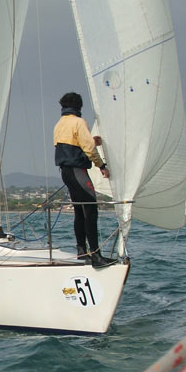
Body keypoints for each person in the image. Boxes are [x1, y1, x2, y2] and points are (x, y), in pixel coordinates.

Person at [53, 92, 115, 268]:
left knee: (79, 211)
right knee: (91, 211)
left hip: (66, 172)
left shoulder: (59, 124)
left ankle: (81, 251)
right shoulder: (79, 122)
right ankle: (96, 256)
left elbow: (71, 146)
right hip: (78, 170)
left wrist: (91, 142)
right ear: (79, 106)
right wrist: (102, 166)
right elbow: (88, 149)